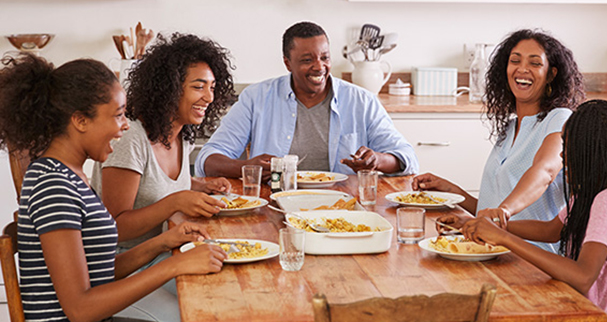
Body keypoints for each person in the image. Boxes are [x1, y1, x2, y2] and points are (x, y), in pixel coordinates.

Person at [0, 54, 226, 322]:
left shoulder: (72, 175)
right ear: (80, 120)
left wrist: (162, 243)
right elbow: (80, 309)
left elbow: (100, 271)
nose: (125, 126)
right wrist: (174, 265)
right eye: (118, 115)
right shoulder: (53, 186)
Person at [456, 100, 607, 322]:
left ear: (592, 151)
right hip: (567, 305)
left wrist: (503, 237)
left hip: (583, 316)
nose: (563, 156)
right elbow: (551, 230)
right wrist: (491, 227)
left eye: (568, 146)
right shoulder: (593, 194)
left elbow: (583, 277)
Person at [413, 29, 585, 252]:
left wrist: (503, 211)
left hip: (533, 260)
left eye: (535, 63)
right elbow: (492, 211)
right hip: (495, 251)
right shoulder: (510, 127)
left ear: (551, 74)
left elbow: (545, 172)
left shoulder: (560, 119)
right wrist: (452, 191)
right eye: (515, 61)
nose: (522, 69)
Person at [195, 21, 418, 180]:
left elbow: (407, 158)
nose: (319, 67)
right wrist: (245, 167)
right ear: (287, 63)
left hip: (344, 207)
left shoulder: (361, 101)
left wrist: (377, 160)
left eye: (325, 57)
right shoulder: (256, 98)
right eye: (307, 60)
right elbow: (207, 160)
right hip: (275, 204)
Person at [92, 33, 235, 250]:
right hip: (125, 262)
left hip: (167, 250)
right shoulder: (130, 138)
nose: (209, 97)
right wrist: (176, 202)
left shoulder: (181, 133)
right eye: (199, 87)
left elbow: (152, 185)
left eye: (212, 87)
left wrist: (200, 187)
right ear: (170, 89)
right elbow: (115, 228)